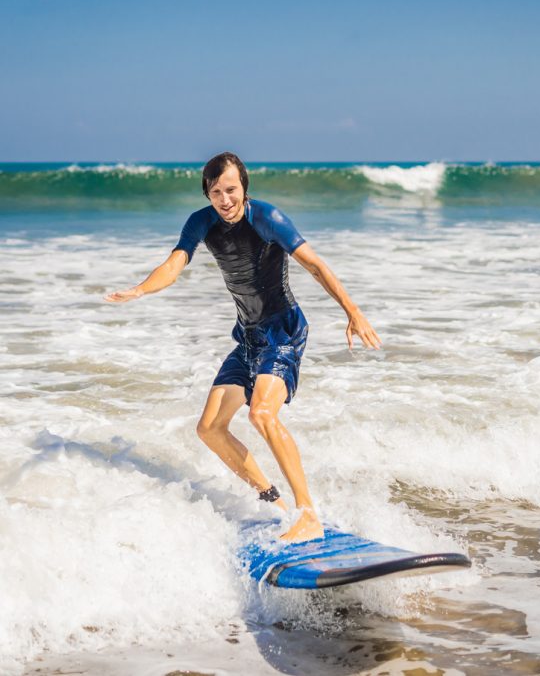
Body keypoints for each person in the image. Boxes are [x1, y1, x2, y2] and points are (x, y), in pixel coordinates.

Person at [105, 152, 381, 543]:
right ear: (208, 193)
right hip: (248, 337)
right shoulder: (202, 222)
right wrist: (139, 289)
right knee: (210, 428)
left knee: (262, 415)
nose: (225, 199)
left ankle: (308, 514)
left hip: (283, 332)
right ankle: (274, 502)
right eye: (216, 192)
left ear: (244, 188)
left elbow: (315, 264)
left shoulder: (268, 218)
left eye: (231, 189)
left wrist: (353, 311)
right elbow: (174, 263)